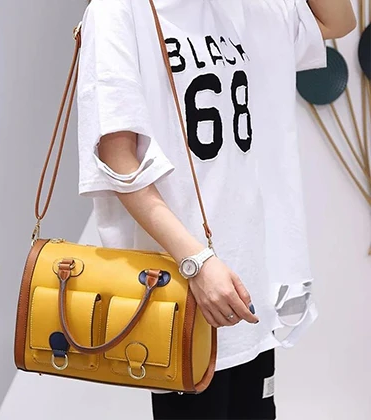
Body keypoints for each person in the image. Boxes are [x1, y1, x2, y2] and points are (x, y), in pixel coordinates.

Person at [76, 0, 356, 419]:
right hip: (180, 291)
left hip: (249, 290)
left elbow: (339, 21)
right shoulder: (118, 11)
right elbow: (118, 160)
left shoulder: (243, 7)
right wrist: (198, 263)